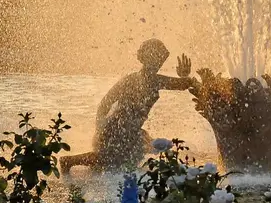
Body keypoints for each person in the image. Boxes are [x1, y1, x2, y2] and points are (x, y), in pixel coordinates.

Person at [61, 39, 195, 174]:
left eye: (160, 59)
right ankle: (68, 161)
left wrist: (184, 76)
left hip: (131, 130)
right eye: (154, 57)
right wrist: (100, 127)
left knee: (132, 157)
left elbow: (183, 84)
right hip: (117, 129)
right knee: (109, 161)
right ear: (144, 58)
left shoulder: (153, 80)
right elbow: (104, 104)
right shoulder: (140, 80)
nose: (158, 63)